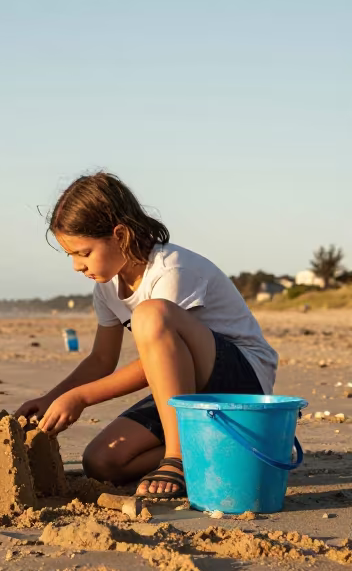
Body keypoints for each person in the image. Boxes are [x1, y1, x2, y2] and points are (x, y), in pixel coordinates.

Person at [16, 173, 277, 499]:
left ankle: (178, 457)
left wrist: (82, 398)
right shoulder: (107, 287)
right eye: (69, 255)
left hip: (241, 378)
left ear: (119, 235)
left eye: (83, 252)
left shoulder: (171, 269)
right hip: (188, 388)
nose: (76, 266)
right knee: (102, 462)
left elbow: (158, 358)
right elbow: (101, 359)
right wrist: (51, 398)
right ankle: (228, 448)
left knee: (151, 314)